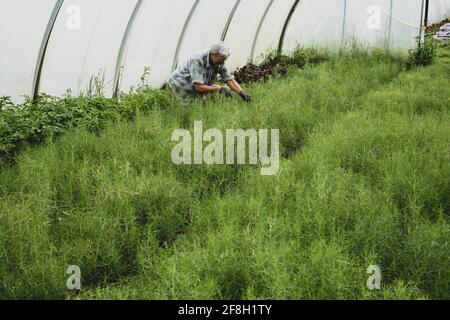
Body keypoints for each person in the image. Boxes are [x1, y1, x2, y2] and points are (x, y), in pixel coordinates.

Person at [167, 41, 252, 103]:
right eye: (220, 60)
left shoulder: (219, 61)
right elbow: (199, 87)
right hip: (179, 84)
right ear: (213, 55)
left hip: (193, 85)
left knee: (199, 105)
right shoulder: (197, 59)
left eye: (224, 60)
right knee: (185, 108)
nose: (222, 63)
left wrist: (241, 93)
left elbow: (229, 79)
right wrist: (220, 88)